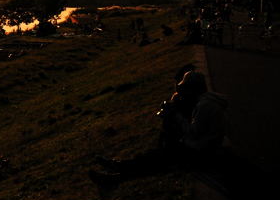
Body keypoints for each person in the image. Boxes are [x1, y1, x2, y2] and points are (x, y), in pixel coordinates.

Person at [89, 70, 227, 187]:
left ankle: (116, 171)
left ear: (193, 89)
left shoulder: (204, 106)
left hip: (202, 153)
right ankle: (116, 171)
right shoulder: (208, 102)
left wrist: (176, 116)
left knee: (157, 160)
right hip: (203, 148)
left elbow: (194, 132)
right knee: (155, 158)